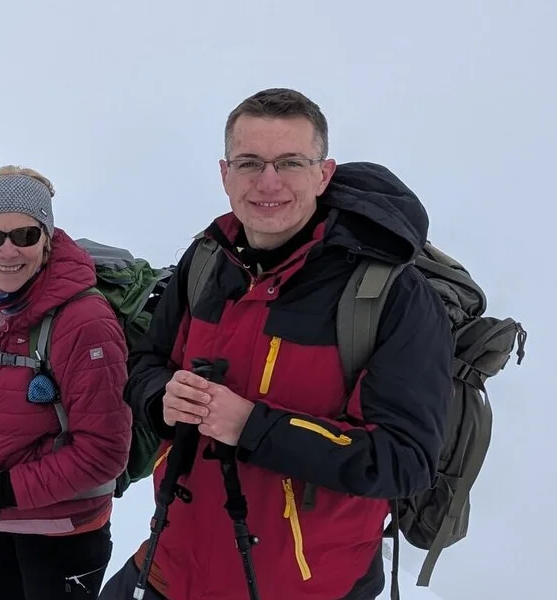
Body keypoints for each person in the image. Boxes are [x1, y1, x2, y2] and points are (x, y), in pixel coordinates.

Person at [100, 88, 452, 600]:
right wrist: (162, 395)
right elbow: (145, 362)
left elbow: (406, 459)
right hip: (172, 567)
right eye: (249, 163)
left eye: (289, 162)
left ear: (323, 173)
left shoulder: (388, 295)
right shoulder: (205, 263)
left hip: (307, 586)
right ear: (224, 174)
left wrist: (252, 427)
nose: (268, 183)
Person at [0, 166, 133, 600]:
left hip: (61, 533)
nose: (8, 251)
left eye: (25, 234)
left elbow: (104, 453)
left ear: (48, 235)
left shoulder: (84, 321)